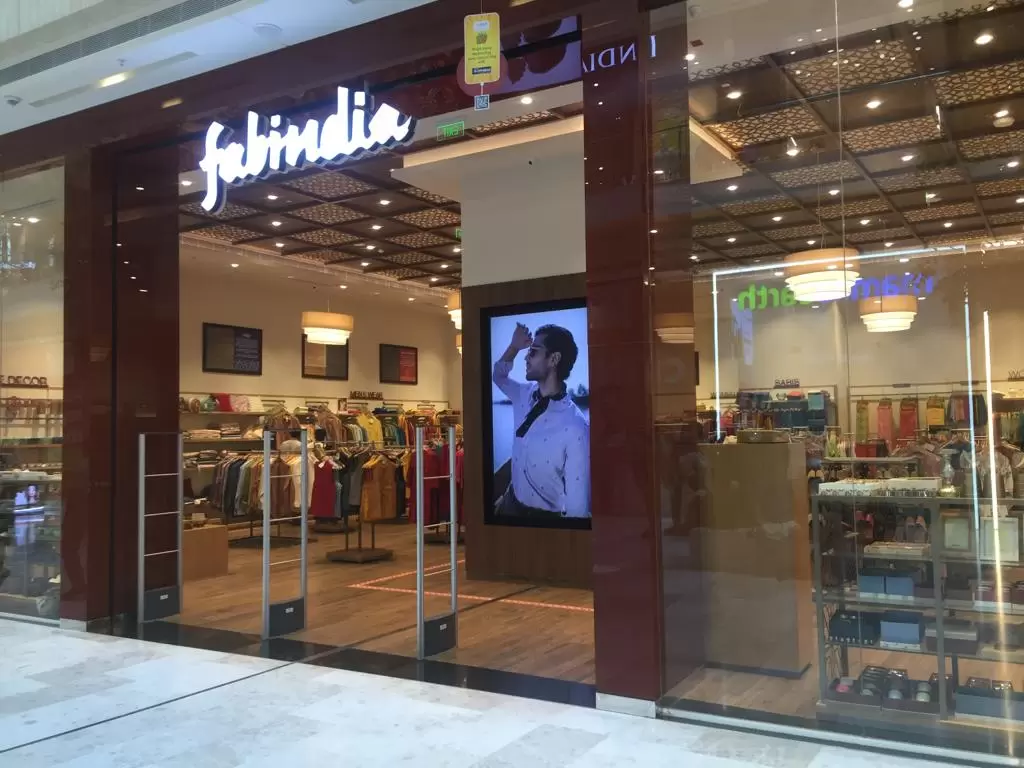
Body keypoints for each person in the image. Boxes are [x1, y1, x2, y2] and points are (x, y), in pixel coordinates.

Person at [492, 321, 590, 518]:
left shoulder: (576, 426)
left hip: (543, 522)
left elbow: (577, 508)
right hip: (509, 504)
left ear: (554, 359)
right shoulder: (523, 394)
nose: (526, 357)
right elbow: (498, 376)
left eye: (533, 352)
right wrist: (514, 347)